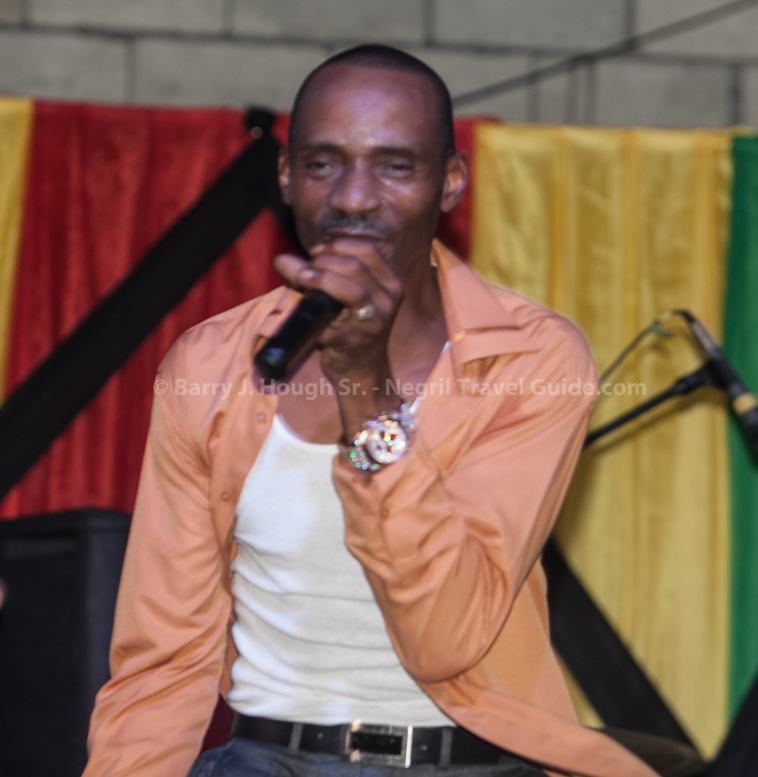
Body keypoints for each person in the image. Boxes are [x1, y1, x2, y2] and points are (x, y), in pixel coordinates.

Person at [83, 45, 655, 777]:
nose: (353, 198)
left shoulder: (530, 359)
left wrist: (365, 384)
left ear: (450, 181)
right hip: (266, 758)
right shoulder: (211, 364)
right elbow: (162, 658)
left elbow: (446, 639)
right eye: (323, 163)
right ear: (286, 176)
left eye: (394, 166)